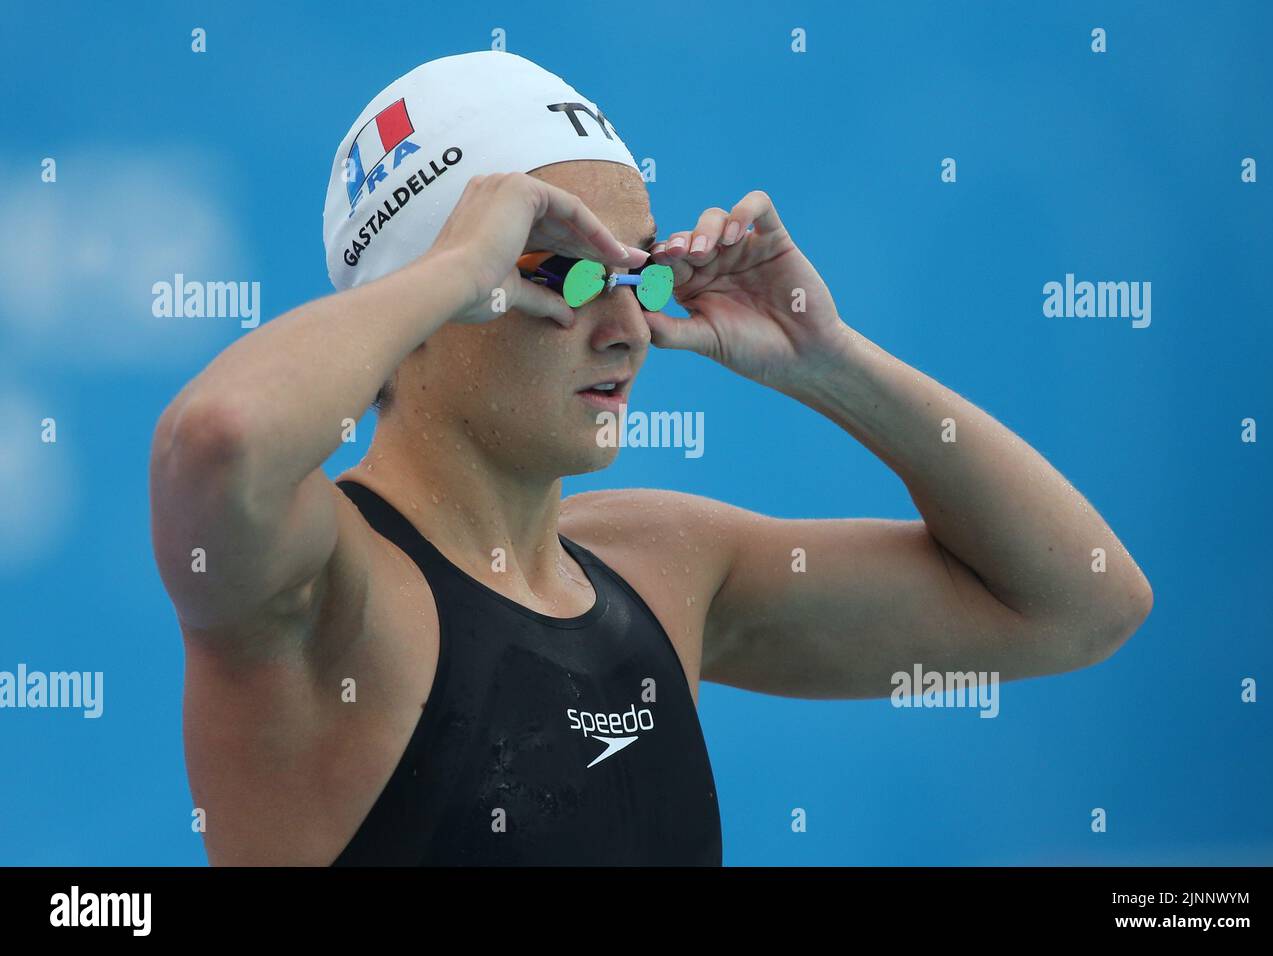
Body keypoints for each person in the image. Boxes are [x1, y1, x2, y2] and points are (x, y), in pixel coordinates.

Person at [149, 52, 1153, 866]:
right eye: (561, 270)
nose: (626, 327)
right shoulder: (320, 590)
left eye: (632, 271)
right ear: (429, 298)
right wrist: (460, 263)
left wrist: (828, 362)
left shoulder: (661, 565)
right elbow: (219, 437)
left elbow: (1079, 603)